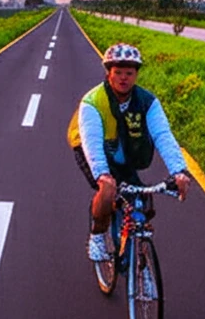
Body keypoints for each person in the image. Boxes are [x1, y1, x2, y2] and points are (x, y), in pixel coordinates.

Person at [67, 42, 192, 261]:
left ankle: (135, 247)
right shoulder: (92, 101)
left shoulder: (147, 101)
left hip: (123, 148)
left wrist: (179, 170)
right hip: (89, 147)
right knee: (107, 189)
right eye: (118, 72)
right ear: (108, 73)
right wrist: (103, 175)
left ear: (136, 75)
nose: (123, 78)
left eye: (129, 73)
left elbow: (163, 135)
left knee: (141, 199)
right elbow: (92, 144)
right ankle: (97, 236)